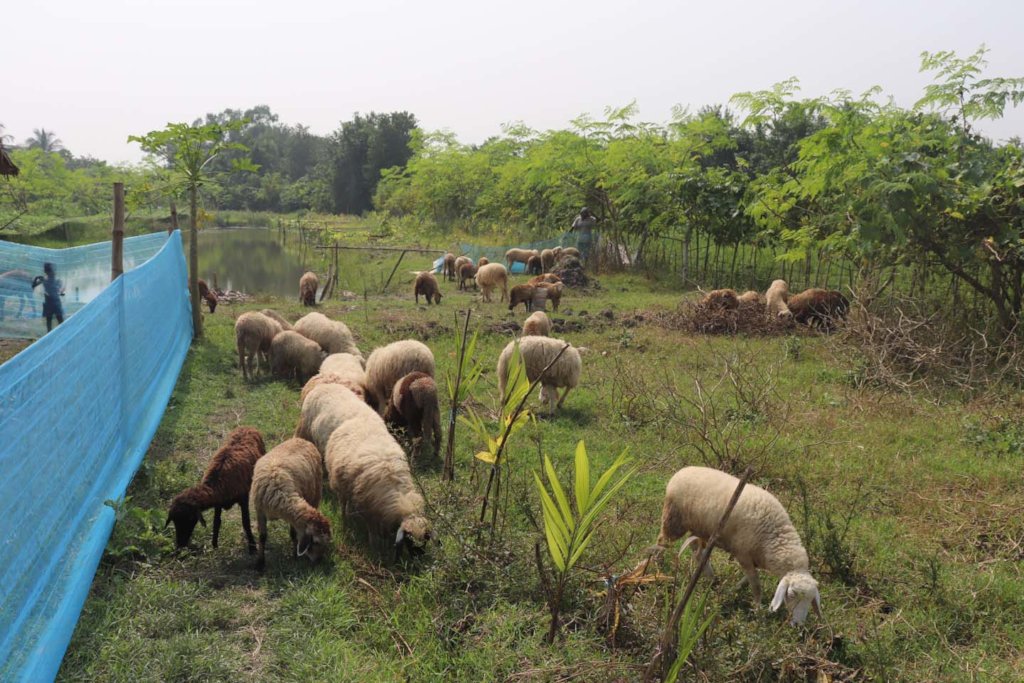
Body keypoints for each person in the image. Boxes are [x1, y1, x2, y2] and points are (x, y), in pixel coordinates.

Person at [35, 262, 65, 332]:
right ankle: (63, 333)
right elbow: (60, 291)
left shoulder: (45, 279)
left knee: (50, 321)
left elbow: (34, 285)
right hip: (54, 302)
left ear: (45, 271)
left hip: (49, 302)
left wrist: (37, 279)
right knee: (59, 320)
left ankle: (51, 334)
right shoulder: (55, 280)